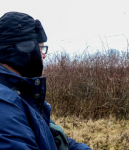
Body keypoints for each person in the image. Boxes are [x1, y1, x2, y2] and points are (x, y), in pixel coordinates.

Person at [0, 11, 92, 150]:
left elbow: (60, 142)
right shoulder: (5, 104)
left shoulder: (22, 94)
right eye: (40, 48)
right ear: (22, 50)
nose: (43, 56)